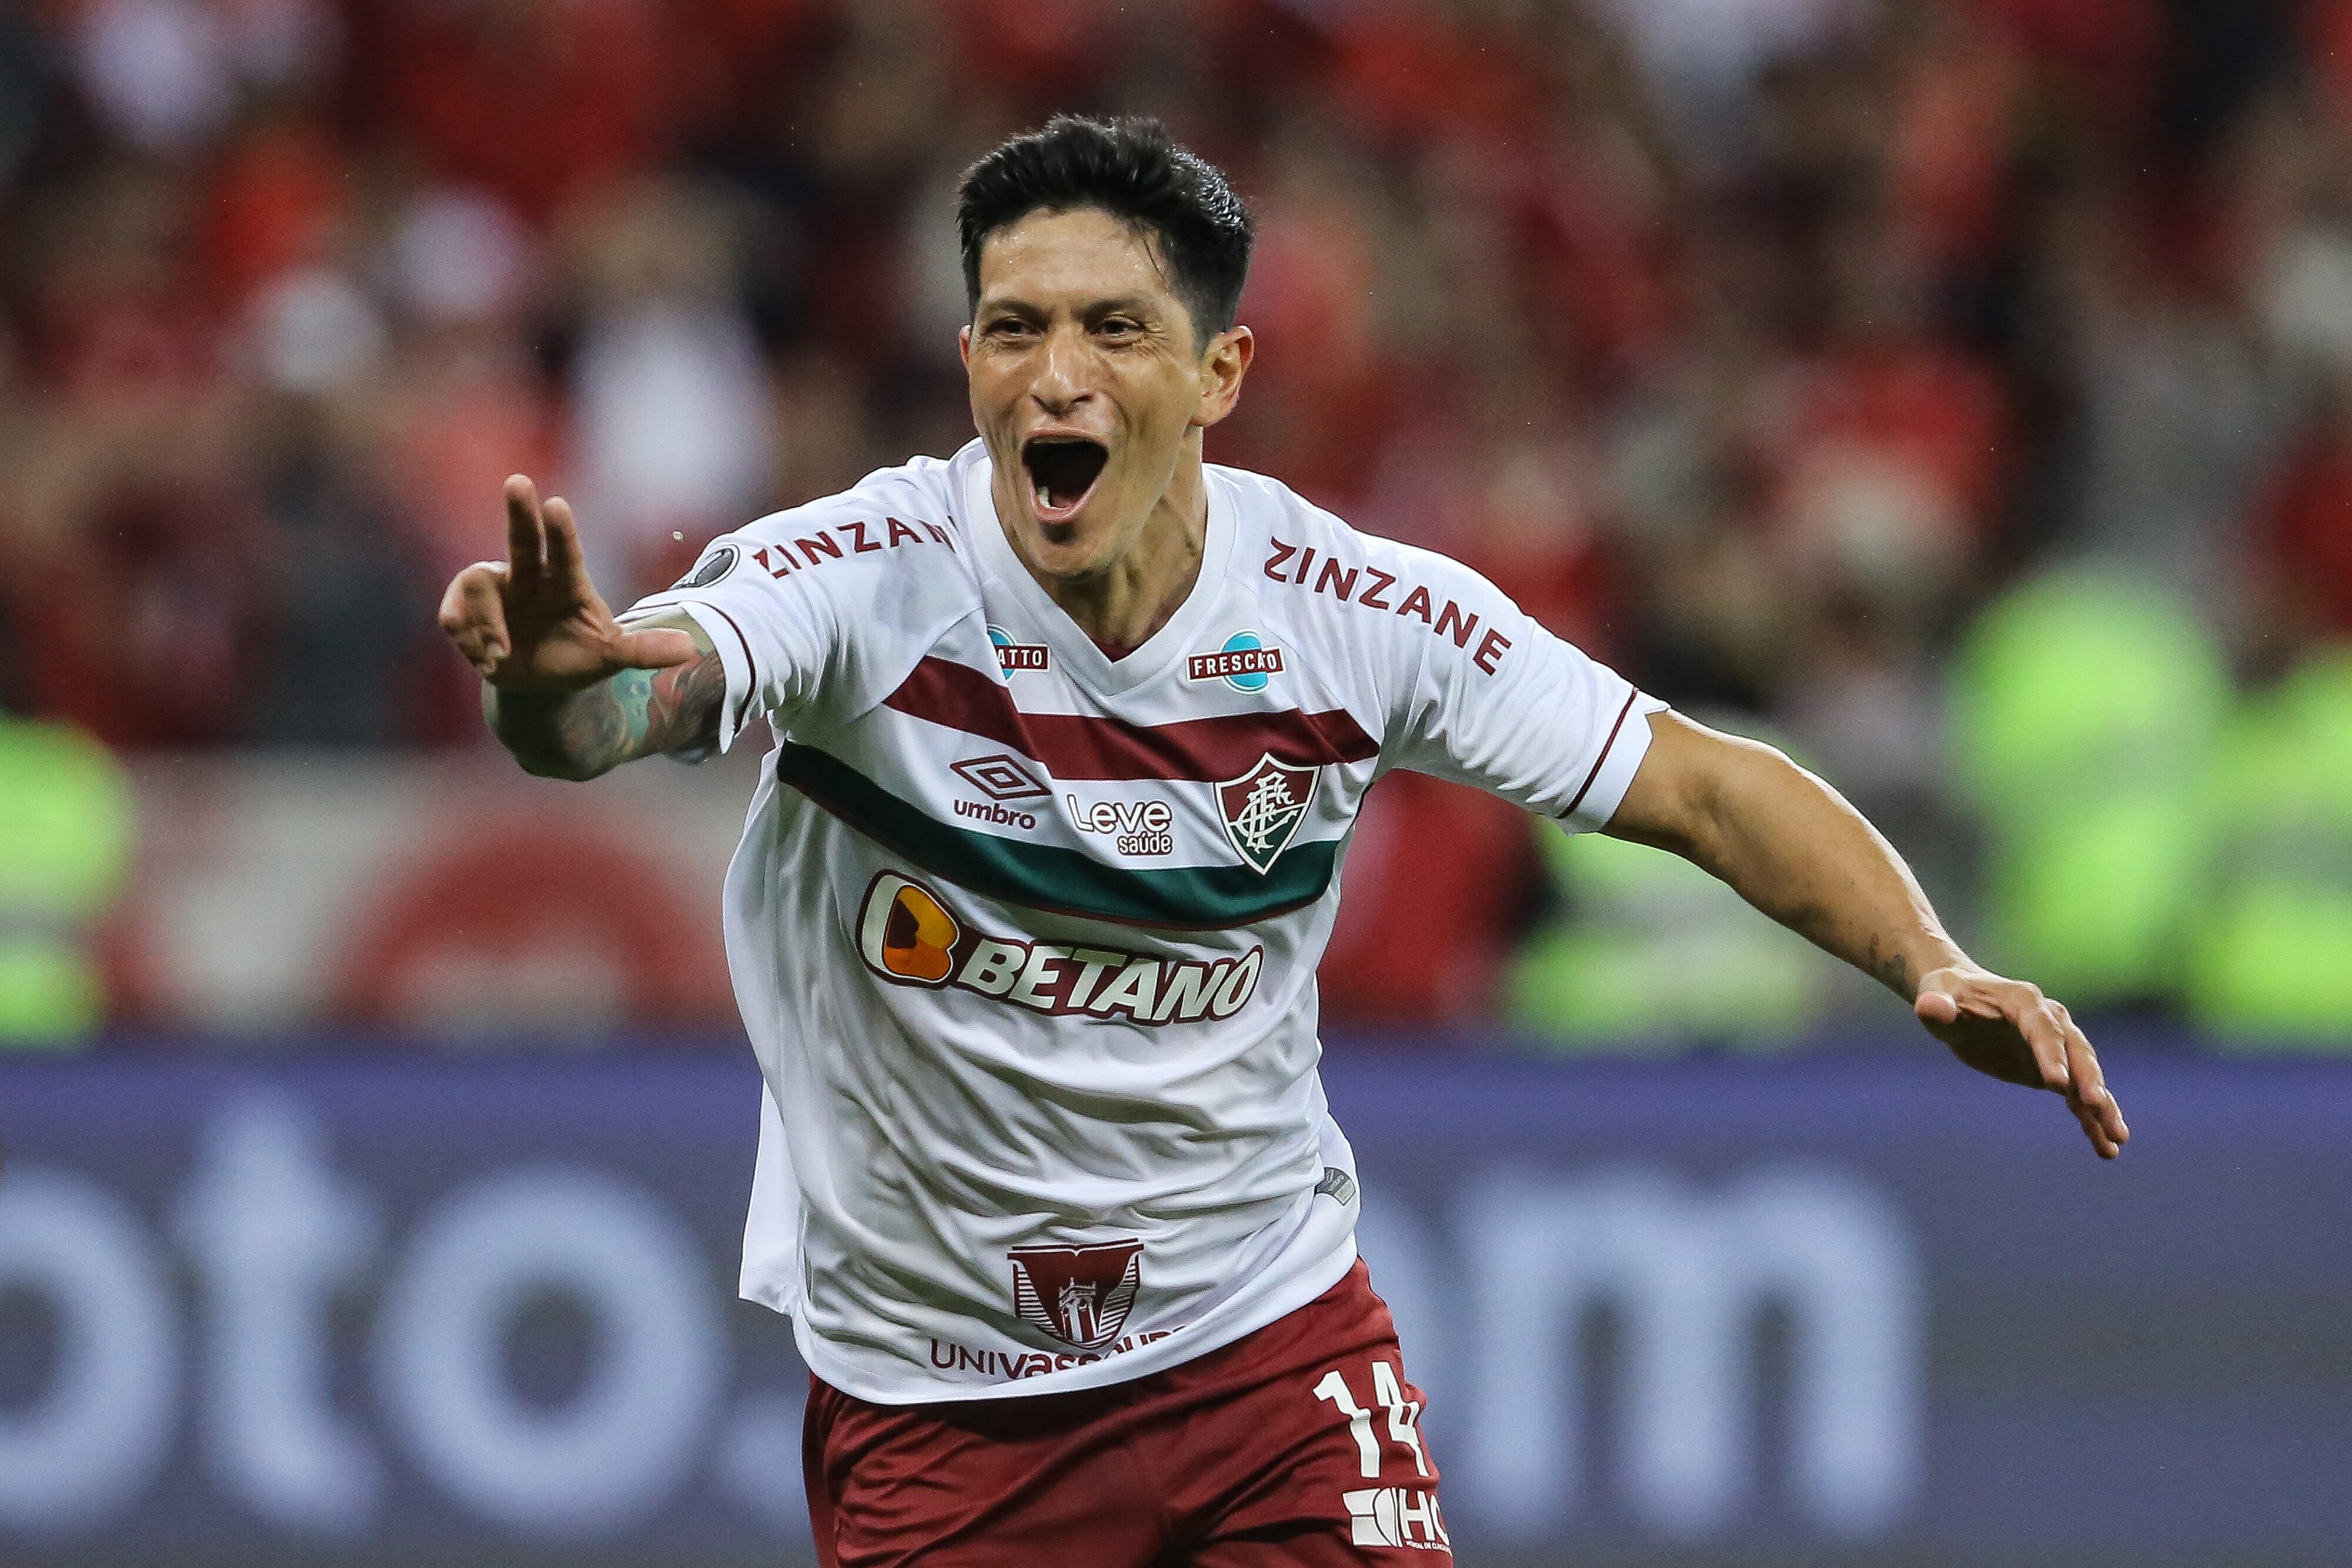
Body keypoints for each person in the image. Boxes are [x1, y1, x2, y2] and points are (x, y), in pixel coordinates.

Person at [437, 116, 2128, 1567]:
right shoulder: (861, 574)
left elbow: (1694, 781)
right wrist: (552, 697)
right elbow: (624, 709)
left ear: (1218, 374)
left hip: (1265, 1342)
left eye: (1113, 326)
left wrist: (1931, 957)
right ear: (967, 363)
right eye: (1013, 329)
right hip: (940, 1391)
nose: (1057, 375)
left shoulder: (1348, 613)